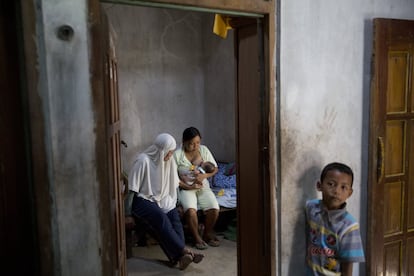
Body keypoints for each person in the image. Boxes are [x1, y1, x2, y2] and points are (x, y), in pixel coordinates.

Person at [124, 133, 203, 270]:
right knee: (161, 219)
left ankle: (180, 257)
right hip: (143, 199)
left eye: (171, 153)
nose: (169, 156)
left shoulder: (169, 161)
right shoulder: (143, 161)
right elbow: (132, 190)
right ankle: (185, 251)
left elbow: (173, 184)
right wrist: (128, 214)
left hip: (162, 198)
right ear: (160, 150)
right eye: (168, 153)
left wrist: (176, 204)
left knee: (175, 221)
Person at [305, 162, 365, 276]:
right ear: (319, 186)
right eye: (331, 184)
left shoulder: (349, 226)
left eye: (343, 187)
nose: (336, 191)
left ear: (349, 193)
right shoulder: (312, 208)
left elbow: (348, 265)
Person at [174, 127, 220, 250]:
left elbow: (215, 168)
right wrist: (189, 186)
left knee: (214, 208)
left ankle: (207, 234)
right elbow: (173, 178)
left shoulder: (203, 150)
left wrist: (205, 175)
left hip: (202, 186)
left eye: (198, 142)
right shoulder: (177, 154)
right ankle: (196, 238)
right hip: (186, 188)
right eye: (191, 144)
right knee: (190, 210)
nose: (195, 146)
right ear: (184, 142)